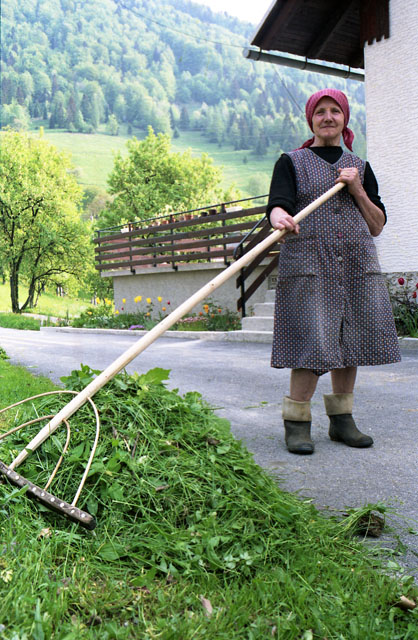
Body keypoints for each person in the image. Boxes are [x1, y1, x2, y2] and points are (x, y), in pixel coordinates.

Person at [267, 88, 401, 455]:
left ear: (344, 119)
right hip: (310, 263)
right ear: (311, 120)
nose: (328, 117)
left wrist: (357, 188)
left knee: (352, 340)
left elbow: (376, 225)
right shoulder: (291, 162)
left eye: (335, 111)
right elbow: (278, 205)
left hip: (356, 264)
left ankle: (342, 421)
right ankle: (297, 423)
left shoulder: (360, 167)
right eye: (320, 112)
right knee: (311, 340)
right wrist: (279, 217)